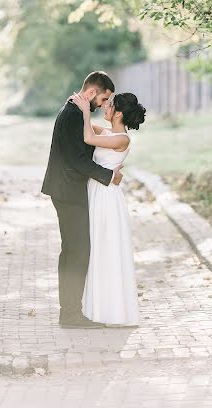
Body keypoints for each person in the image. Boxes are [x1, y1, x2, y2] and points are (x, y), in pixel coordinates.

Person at [41, 72, 124, 329]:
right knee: (77, 252)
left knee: (72, 251)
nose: (102, 105)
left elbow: (91, 143)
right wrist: (108, 176)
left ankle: (69, 311)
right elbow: (77, 160)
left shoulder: (75, 111)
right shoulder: (73, 114)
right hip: (68, 192)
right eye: (103, 99)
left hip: (67, 190)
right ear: (91, 93)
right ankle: (71, 314)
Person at [72, 90, 146, 326]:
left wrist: (84, 113)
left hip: (106, 199)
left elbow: (88, 139)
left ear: (119, 113)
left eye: (109, 105)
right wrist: (79, 107)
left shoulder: (122, 138)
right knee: (96, 248)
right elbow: (92, 130)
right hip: (97, 192)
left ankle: (112, 310)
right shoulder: (111, 132)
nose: (105, 108)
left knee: (106, 248)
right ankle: (96, 308)